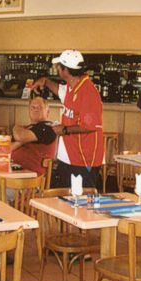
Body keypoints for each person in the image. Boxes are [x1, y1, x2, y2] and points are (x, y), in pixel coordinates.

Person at [32, 50, 104, 188]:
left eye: (59, 66)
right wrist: (45, 81)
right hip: (69, 157)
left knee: (82, 198)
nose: (57, 69)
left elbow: (90, 126)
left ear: (65, 70)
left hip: (83, 159)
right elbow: (59, 89)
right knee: (65, 197)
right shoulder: (72, 87)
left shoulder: (88, 92)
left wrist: (64, 129)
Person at [0, 96, 56, 197]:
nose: (35, 110)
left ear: (48, 111)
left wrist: (16, 127)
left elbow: (19, 136)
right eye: (33, 107)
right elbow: (7, 148)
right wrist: (20, 142)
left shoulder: (48, 129)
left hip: (29, 183)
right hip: (10, 176)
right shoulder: (28, 129)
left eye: (39, 107)